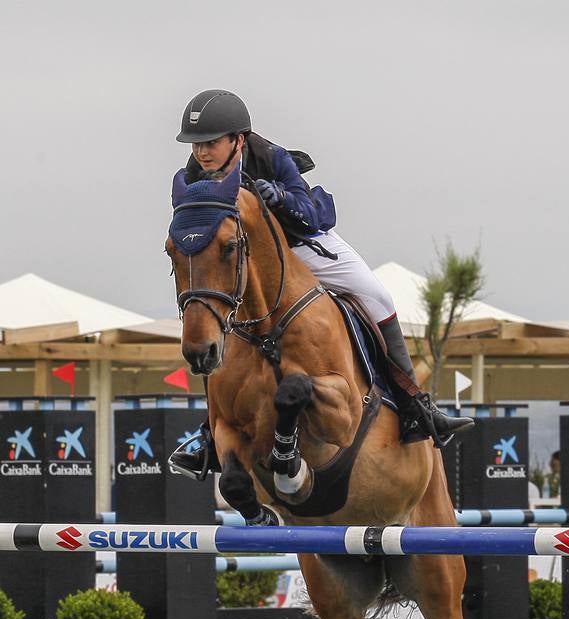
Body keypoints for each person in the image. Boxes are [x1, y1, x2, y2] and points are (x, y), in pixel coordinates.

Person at [175, 89, 474, 447]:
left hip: (304, 245)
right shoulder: (194, 176)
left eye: (209, 143)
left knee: (377, 296)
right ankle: (211, 434)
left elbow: (314, 214)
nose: (201, 153)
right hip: (250, 262)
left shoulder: (271, 157)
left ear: (238, 140)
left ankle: (416, 406)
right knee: (212, 319)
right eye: (196, 145)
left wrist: (282, 198)